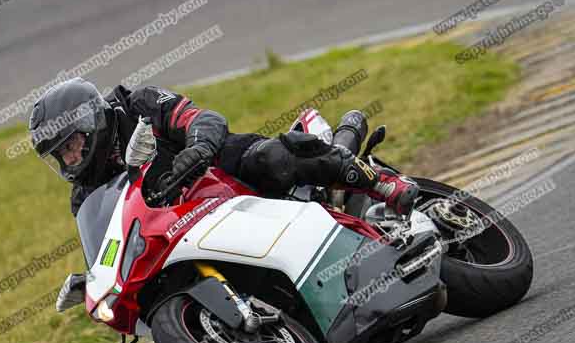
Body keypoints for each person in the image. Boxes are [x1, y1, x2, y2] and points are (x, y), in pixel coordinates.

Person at [30, 78, 418, 311]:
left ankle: (378, 183)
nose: (70, 158)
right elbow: (109, 250)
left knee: (270, 158)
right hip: (182, 228)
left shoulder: (138, 106)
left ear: (91, 122)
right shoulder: (85, 197)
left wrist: (197, 147)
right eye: (60, 154)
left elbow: (200, 117)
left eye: (72, 144)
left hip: (220, 173)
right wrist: (93, 280)